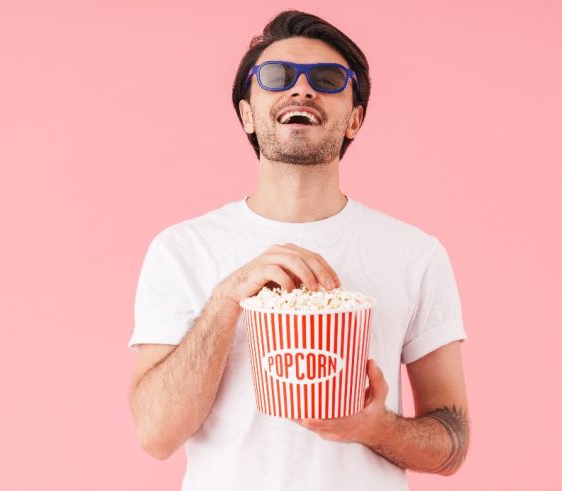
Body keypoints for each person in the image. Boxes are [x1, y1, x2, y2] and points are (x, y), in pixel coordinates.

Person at [127, 9, 470, 490]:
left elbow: (451, 442)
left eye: (329, 79)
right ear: (247, 112)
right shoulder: (182, 249)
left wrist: (372, 427)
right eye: (276, 76)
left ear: (354, 119)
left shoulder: (415, 254)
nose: (302, 89)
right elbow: (156, 435)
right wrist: (228, 298)